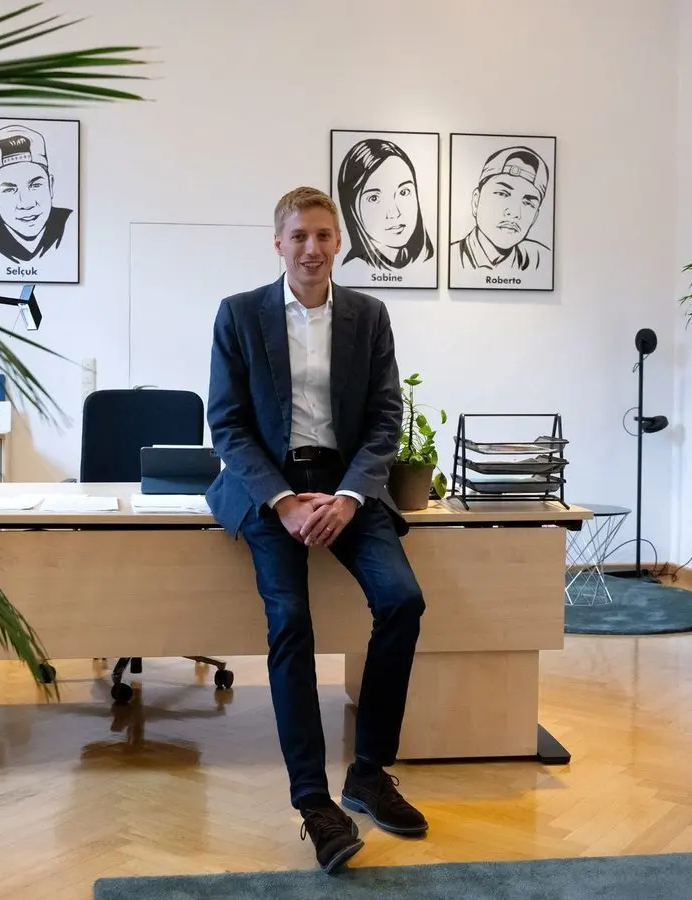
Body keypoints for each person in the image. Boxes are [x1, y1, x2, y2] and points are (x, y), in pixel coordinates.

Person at [205, 186, 428, 874]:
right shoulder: (239, 314)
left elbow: (386, 418)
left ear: (340, 242)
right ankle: (313, 802)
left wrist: (351, 496)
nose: (312, 248)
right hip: (269, 489)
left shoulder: (369, 315)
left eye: (324, 235)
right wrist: (282, 501)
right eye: (299, 235)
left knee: (402, 601)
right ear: (278, 243)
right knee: (291, 621)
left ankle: (368, 773)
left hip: (346, 489)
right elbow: (228, 424)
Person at [0, 123, 73, 263]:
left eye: (35, 185)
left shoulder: (70, 222)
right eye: (9, 190)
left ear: (50, 186)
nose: (26, 203)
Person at [335, 138, 434, 273]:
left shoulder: (425, 262)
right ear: (352, 208)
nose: (394, 213)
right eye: (374, 198)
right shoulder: (350, 269)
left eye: (404, 192)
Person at [450, 145, 552, 276]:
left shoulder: (541, 260)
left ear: (535, 217)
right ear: (476, 201)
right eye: (502, 194)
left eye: (527, 203)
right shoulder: (450, 258)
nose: (515, 213)